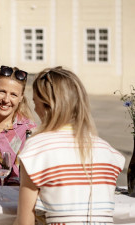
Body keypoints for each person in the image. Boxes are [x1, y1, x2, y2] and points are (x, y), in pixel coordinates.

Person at [14, 66, 125, 225]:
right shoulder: (108, 152)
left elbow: (25, 221)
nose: (35, 108)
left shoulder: (37, 149)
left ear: (46, 105)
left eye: (35, 102)